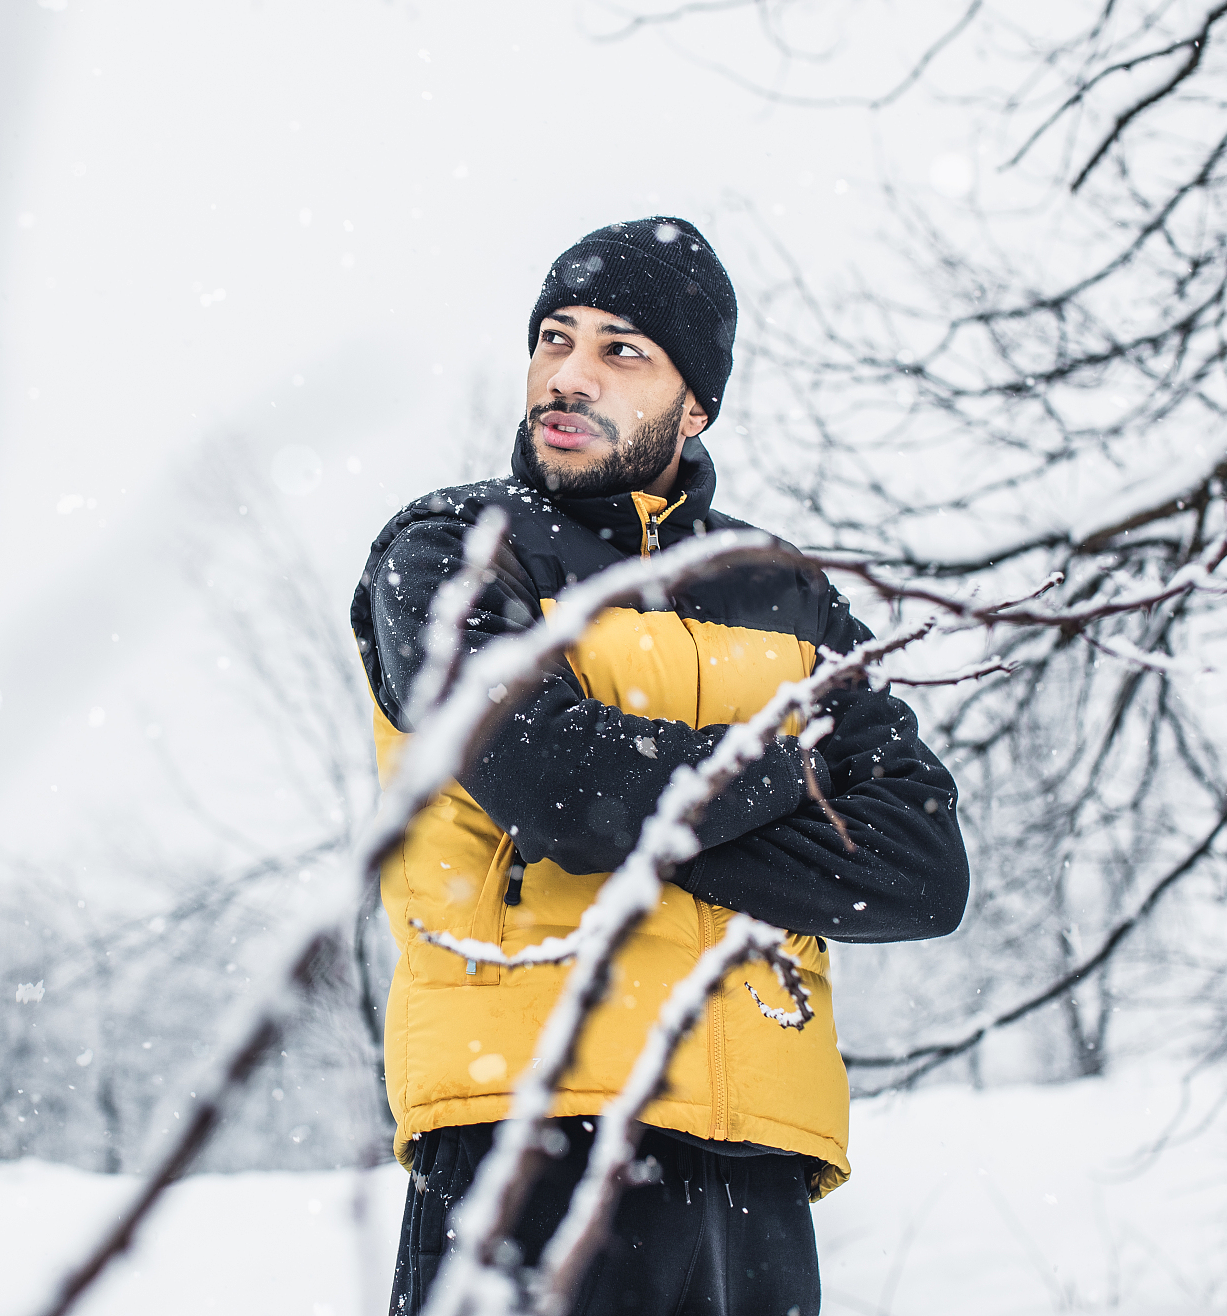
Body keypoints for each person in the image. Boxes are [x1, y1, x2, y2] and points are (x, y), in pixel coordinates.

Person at [349, 217, 970, 1315]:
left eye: (619, 349)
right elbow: (561, 795)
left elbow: (920, 869)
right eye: (553, 339)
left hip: (755, 1168)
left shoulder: (789, 595)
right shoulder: (448, 550)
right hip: (523, 1137)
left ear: (694, 404)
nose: (566, 376)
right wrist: (789, 765)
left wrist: (653, 805)